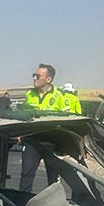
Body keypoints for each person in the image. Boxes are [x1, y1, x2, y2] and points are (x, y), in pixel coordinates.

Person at [20, 64, 80, 192]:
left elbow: (67, 121)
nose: (34, 78)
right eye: (34, 75)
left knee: (53, 178)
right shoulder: (29, 94)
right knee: (26, 175)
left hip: (52, 143)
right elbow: (24, 117)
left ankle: (54, 202)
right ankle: (22, 202)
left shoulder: (59, 96)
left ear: (48, 79)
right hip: (32, 140)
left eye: (38, 76)